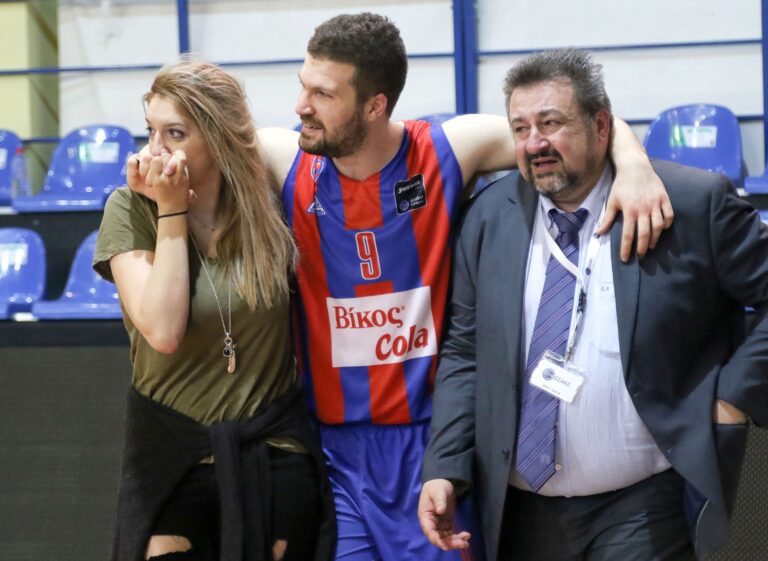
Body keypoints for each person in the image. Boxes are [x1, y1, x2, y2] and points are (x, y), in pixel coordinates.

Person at [133, 13, 672, 561]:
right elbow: (201, 134)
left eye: (323, 94)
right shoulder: (285, 157)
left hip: (433, 447)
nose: (301, 106)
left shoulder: (448, 149)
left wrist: (634, 165)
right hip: (333, 452)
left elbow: (570, 130)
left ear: (375, 106)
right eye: (303, 86)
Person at [419, 47, 768, 561]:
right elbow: (465, 352)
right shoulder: (488, 218)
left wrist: (734, 397)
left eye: (551, 123)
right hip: (521, 511)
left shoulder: (689, 204)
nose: (534, 143)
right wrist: (444, 465)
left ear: (601, 126)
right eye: (520, 128)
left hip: (644, 503)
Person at [94, 58, 335, 561]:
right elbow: (163, 330)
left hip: (272, 446)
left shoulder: (269, 201)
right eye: (151, 130)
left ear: (220, 139)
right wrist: (171, 209)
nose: (154, 150)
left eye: (175, 133)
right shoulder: (129, 208)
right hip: (172, 451)